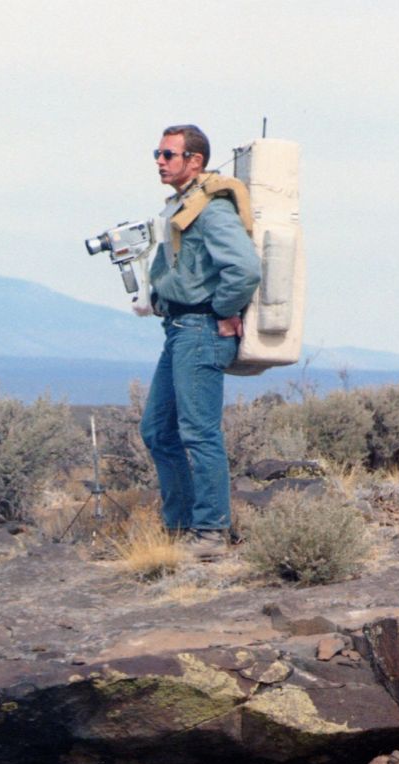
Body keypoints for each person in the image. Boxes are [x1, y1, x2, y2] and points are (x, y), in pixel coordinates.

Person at [138, 123, 261, 556]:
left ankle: (210, 532)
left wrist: (226, 310)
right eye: (158, 153)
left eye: (168, 155)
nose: (159, 161)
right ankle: (179, 527)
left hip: (201, 330)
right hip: (180, 330)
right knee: (157, 430)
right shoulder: (185, 207)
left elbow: (245, 270)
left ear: (195, 161)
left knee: (199, 433)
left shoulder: (212, 210)